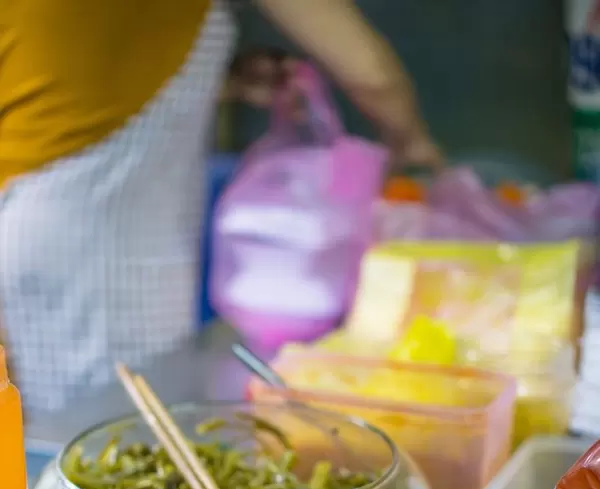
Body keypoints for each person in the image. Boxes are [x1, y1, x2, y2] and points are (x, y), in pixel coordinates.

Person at [0, 0, 440, 414]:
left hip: (47, 230)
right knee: (97, 453)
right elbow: (370, 75)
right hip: (93, 255)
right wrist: (418, 152)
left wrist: (217, 79)